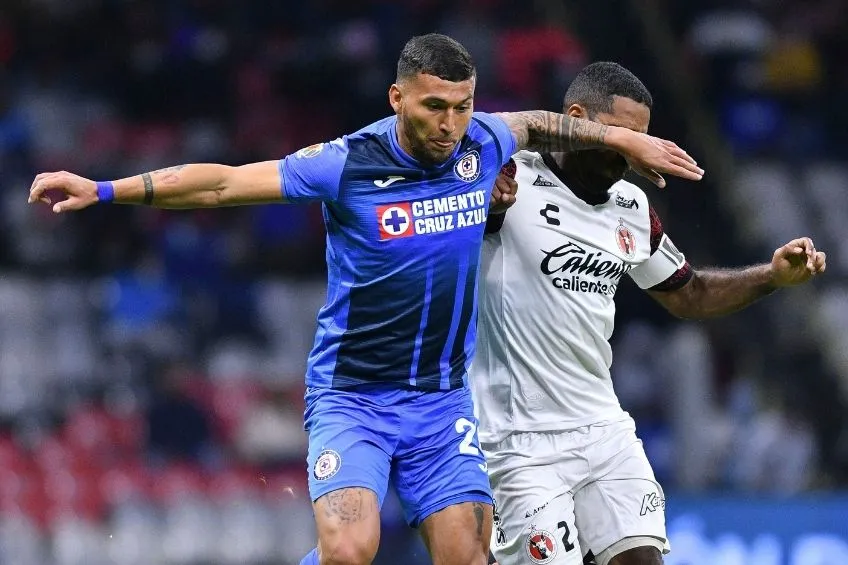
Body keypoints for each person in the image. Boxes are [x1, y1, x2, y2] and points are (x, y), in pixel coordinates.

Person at [27, 36, 703, 565]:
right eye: (434, 106)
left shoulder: (482, 141)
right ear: (396, 99)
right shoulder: (346, 162)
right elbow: (223, 184)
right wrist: (106, 189)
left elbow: (535, 122)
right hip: (354, 398)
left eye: (463, 106)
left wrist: (619, 137)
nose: (450, 123)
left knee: (468, 554)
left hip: (442, 404)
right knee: (352, 550)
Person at [472, 61, 826, 565]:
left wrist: (771, 276)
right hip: (516, 440)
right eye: (623, 134)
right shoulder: (508, 180)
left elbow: (691, 294)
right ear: (578, 118)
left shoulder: (630, 206)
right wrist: (488, 208)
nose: (636, 149)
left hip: (603, 429)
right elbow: (483, 134)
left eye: (644, 137)